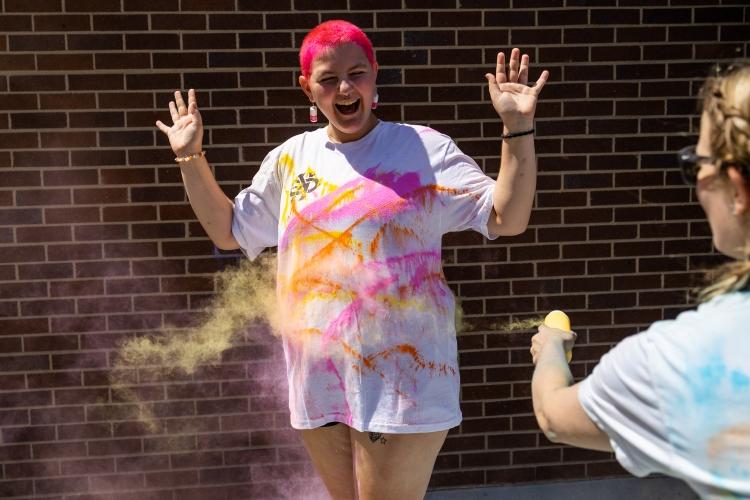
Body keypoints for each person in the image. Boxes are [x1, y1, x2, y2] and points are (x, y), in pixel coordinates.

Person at [157, 20, 548, 500]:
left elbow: (507, 217)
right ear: (307, 88)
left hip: (404, 384)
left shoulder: (422, 150)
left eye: (356, 73)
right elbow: (228, 231)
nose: (344, 88)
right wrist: (190, 157)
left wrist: (517, 128)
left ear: (374, 74)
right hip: (319, 385)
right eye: (328, 78)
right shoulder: (289, 160)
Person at [530, 61, 750, 499]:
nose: (697, 180)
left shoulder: (681, 359)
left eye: (697, 162)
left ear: (738, 188)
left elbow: (554, 415)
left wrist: (551, 349)